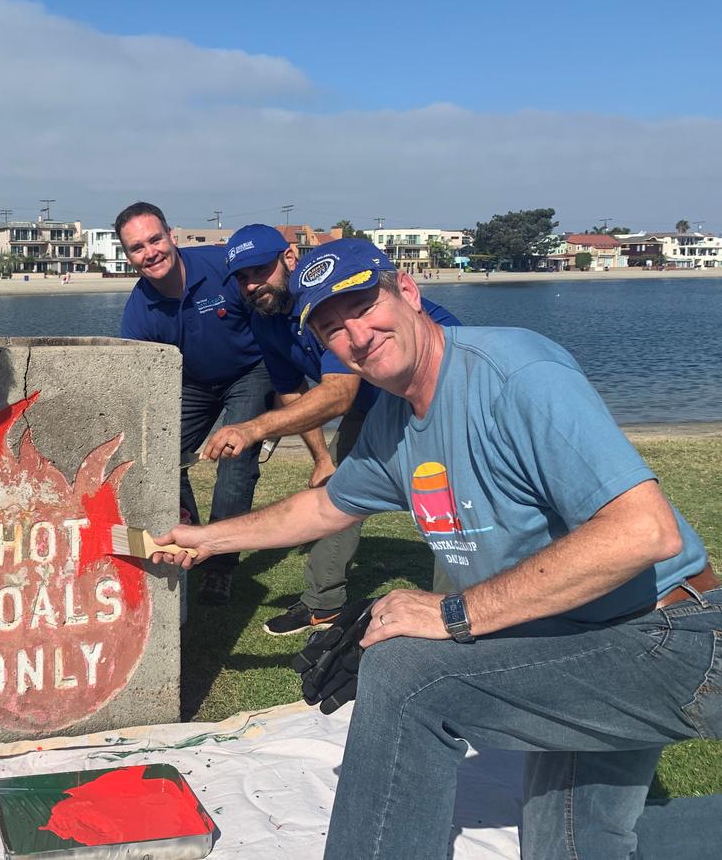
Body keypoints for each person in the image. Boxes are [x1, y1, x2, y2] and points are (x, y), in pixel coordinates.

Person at [153, 238, 720, 859]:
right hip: (577, 642)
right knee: (567, 850)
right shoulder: (395, 423)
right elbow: (323, 505)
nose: (358, 335)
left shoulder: (515, 374)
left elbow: (644, 532)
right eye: (333, 329)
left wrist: (452, 614)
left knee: (406, 674)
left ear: (408, 293)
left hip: (670, 632)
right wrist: (206, 539)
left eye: (365, 306)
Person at [202, 229, 460, 635]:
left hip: (436, 383)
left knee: (446, 497)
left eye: (260, 270)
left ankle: (455, 613)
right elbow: (291, 389)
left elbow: (338, 394)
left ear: (289, 258)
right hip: (372, 400)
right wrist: (322, 458)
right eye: (241, 277)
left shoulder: (323, 292)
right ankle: (322, 605)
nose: (252, 284)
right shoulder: (265, 319)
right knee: (335, 490)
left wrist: (253, 428)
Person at [116, 201, 273, 605]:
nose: (150, 252)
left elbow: (270, 298)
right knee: (164, 458)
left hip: (250, 372)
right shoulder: (138, 315)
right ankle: (200, 537)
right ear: (129, 256)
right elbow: (143, 385)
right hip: (194, 384)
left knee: (235, 462)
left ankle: (220, 568)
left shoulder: (221, 265)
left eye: (155, 239)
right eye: (137, 248)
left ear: (171, 235)